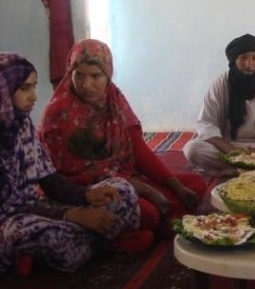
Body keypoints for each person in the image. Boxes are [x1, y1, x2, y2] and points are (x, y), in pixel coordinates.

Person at [40, 39, 207, 239]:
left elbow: (140, 151)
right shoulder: (59, 114)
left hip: (125, 178)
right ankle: (119, 237)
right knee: (148, 213)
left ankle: (139, 228)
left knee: (194, 185)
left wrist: (176, 187)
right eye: (79, 76)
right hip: (82, 192)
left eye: (96, 76)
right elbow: (78, 175)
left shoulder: (113, 99)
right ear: (70, 74)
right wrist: (149, 191)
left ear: (108, 75)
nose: (87, 85)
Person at [0, 52, 145, 276]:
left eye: (34, 87)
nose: (34, 97)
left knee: (121, 190)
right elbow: (8, 207)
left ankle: (73, 247)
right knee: (43, 236)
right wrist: (74, 215)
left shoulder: (21, 126)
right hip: (10, 220)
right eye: (25, 88)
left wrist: (85, 196)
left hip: (40, 207)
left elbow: (48, 179)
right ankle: (99, 241)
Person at [183, 33, 255, 175]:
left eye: (254, 58)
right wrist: (232, 151)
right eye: (243, 58)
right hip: (229, 145)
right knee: (193, 150)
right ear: (234, 59)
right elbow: (206, 123)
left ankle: (235, 170)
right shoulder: (221, 83)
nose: (249, 64)